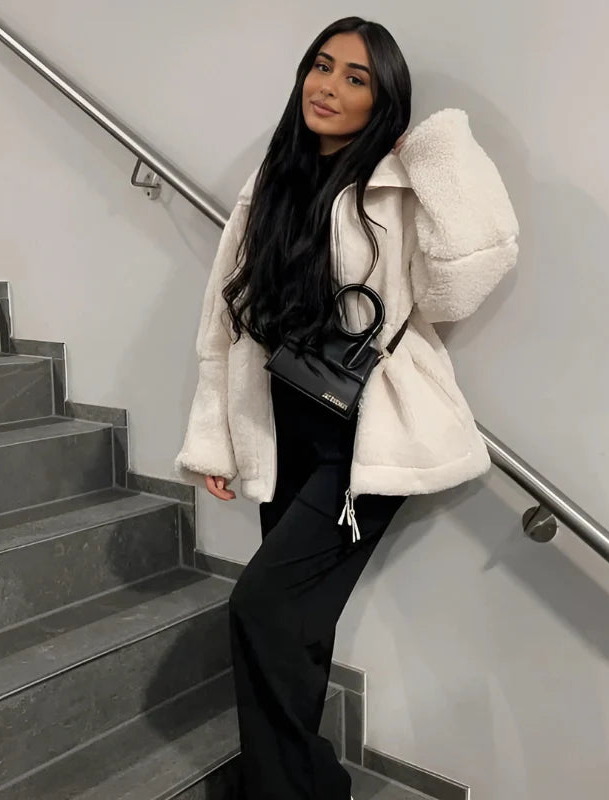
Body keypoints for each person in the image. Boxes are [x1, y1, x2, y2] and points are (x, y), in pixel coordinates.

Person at [176, 15, 519, 800]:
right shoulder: (271, 181)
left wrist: (436, 150)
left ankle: (287, 787)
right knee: (296, 627)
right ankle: (301, 783)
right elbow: (225, 319)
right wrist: (216, 436)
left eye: (355, 78)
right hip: (284, 425)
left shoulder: (394, 188)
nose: (328, 87)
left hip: (362, 441)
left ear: (381, 99)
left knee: (261, 608)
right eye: (321, 66)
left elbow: (460, 284)